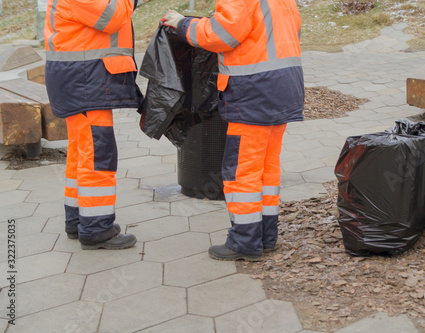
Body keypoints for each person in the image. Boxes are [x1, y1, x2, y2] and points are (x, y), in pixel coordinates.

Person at [161, 0, 304, 261]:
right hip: (284, 88)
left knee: (242, 170)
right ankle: (265, 236)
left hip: (254, 92)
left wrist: (182, 24)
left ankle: (245, 241)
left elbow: (221, 35)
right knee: (267, 166)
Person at [44, 0, 144, 249]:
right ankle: (96, 228)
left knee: (82, 152)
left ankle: (79, 219)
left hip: (81, 77)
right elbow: (113, 16)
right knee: (97, 155)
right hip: (85, 79)